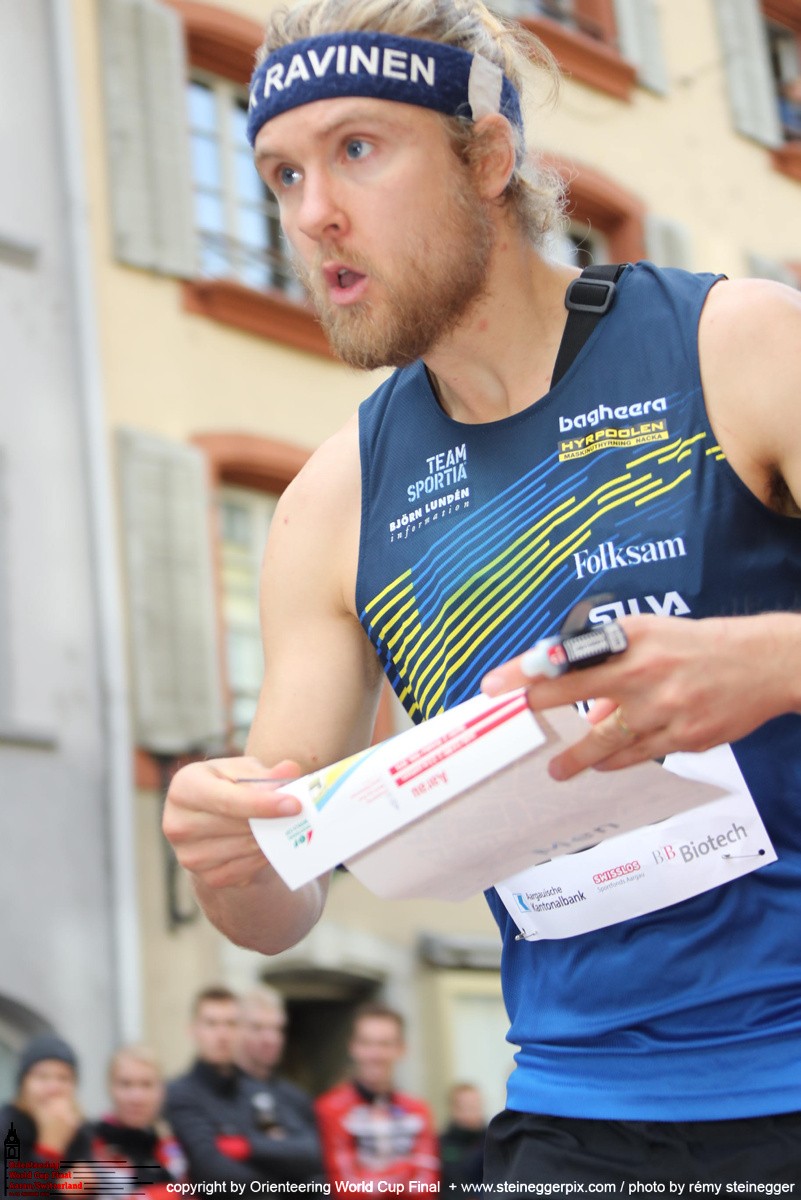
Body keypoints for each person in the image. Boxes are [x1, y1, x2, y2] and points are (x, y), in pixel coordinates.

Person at [162, 0, 801, 1185]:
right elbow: (280, 900)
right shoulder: (332, 503)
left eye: (357, 149)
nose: (311, 213)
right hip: (572, 1112)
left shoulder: (741, 345)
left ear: (489, 156)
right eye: (282, 173)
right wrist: (226, 852)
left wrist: (762, 664)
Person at [164, 985, 323, 1185]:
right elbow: (211, 1170)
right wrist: (279, 1171)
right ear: (193, 1030)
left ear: (240, 1031)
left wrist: (247, 1147)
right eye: (211, 1024)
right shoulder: (179, 1094)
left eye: (231, 1024)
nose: (222, 1034)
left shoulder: (256, 1091)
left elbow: (312, 1152)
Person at [314, 1005, 439, 1189]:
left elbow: (426, 1187)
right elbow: (346, 1189)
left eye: (385, 1044)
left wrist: (373, 1178)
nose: (375, 1054)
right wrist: (406, 1172)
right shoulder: (329, 1108)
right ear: (353, 1047)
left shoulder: (417, 1109)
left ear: (401, 1049)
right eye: (366, 1043)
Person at [237, 986, 324, 1181]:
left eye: (276, 1029)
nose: (270, 1039)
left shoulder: (296, 1097)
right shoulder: (223, 1093)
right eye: (258, 1028)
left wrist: (255, 1147)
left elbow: (315, 1153)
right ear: (237, 1030)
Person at [0, 1034, 94, 1199]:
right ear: (23, 1084)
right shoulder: (5, 1128)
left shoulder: (80, 1131)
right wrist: (49, 1151)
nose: (53, 1088)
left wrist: (87, 1189)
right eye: (42, 1077)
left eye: (63, 1078)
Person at [90, 1045, 187, 1197]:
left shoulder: (174, 1142)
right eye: (126, 1084)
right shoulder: (90, 1142)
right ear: (110, 1088)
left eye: (146, 1085)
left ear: (161, 1090)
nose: (136, 1097)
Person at [438, 1083, 487, 1189]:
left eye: (474, 1107)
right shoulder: (439, 1144)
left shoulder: (492, 1142)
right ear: (453, 1109)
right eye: (465, 1107)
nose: (471, 1113)